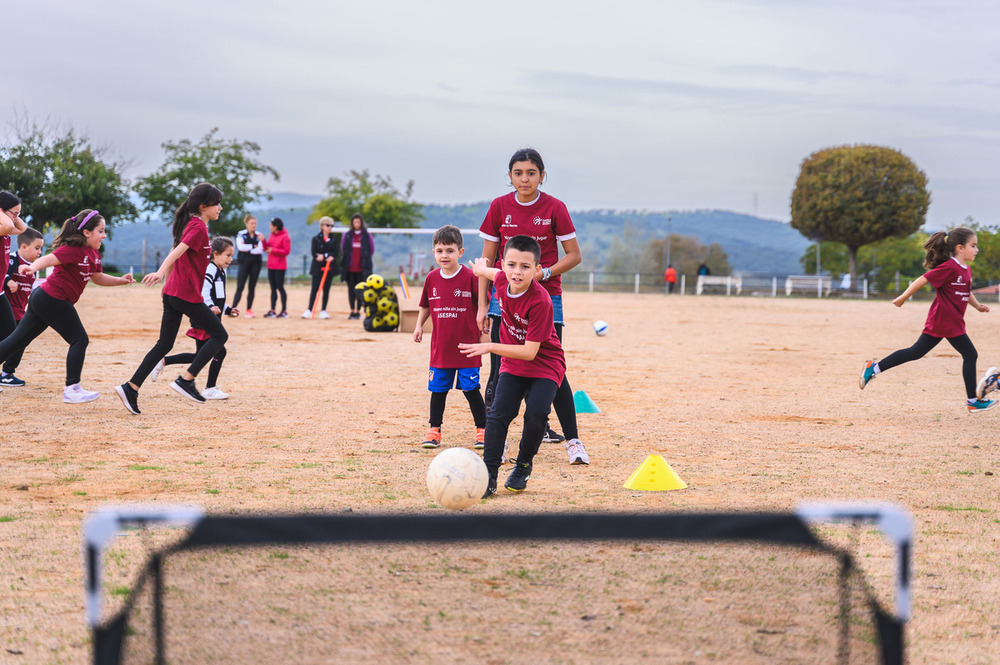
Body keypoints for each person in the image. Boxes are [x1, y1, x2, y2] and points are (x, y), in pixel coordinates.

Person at [477, 147, 588, 465]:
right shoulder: (499, 207)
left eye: (531, 172)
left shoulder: (555, 207)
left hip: (547, 297)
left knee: (553, 370)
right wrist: (483, 305)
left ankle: (573, 441)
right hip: (504, 299)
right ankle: (493, 440)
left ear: (542, 175)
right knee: (501, 370)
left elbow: (574, 255)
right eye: (518, 173)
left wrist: (546, 272)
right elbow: (487, 260)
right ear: (509, 176)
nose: (524, 179)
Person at [460, 236, 567, 496]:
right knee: (497, 417)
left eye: (525, 267)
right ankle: (489, 477)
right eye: (512, 265)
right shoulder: (501, 279)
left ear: (537, 270)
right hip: (512, 364)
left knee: (536, 415)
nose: (517, 272)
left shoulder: (540, 300)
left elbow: (531, 353)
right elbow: (491, 271)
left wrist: (489, 346)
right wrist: (478, 269)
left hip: (544, 365)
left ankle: (523, 465)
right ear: (504, 265)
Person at [115, 183, 229, 414]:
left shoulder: (194, 224)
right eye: (216, 203)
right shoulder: (197, 228)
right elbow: (176, 251)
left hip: (173, 293)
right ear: (203, 206)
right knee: (219, 335)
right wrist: (160, 272)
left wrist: (165, 279)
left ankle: (131, 387)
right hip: (184, 294)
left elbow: (177, 249)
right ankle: (186, 380)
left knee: (164, 344)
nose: (220, 207)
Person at [0, 209, 134, 403]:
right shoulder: (73, 248)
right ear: (86, 233)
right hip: (51, 298)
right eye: (101, 231)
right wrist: (32, 267)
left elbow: (97, 278)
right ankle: (72, 389)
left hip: (45, 299)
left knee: (17, 341)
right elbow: (50, 259)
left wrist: (120, 280)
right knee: (79, 339)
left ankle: (72, 389)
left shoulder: (93, 253)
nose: (104, 235)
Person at [859, 227, 995, 412]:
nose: (977, 250)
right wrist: (902, 297)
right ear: (960, 248)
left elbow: (966, 291)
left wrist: (978, 306)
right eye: (973, 245)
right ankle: (972, 400)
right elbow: (923, 279)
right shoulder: (949, 267)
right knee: (970, 354)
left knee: (915, 352)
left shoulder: (966, 270)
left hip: (952, 322)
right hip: (943, 321)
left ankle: (874, 368)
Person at [413, 225, 487, 449]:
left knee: (471, 389)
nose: (444, 255)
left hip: (468, 347)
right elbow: (425, 305)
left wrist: (485, 331)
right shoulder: (432, 278)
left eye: (450, 250)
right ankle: (434, 430)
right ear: (433, 252)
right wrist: (418, 326)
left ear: (460, 252)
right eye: (439, 251)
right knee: (438, 390)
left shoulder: (471, 277)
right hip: (441, 349)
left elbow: (483, 306)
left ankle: (483, 430)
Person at [151, 236, 238, 399]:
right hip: (203, 317)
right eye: (228, 255)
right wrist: (209, 307)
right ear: (216, 254)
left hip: (211, 317)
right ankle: (209, 388)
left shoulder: (221, 271)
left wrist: (228, 309)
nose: (231, 259)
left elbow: (220, 298)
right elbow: (203, 292)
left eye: (232, 255)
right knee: (219, 351)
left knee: (200, 355)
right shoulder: (210, 269)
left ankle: (163, 362)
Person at [1, 227, 44, 386]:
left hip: (20, 312)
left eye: (41, 248)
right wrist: (8, 280)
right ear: (23, 247)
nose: (40, 252)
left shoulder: (32, 269)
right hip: (6, 311)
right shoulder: (12, 260)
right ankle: (6, 373)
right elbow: (1, 271)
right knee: (12, 340)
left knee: (20, 341)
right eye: (37, 248)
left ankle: (7, 373)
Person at [0, 191, 29, 393]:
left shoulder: (7, 227)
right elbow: (10, 225)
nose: (16, 217)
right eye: (14, 212)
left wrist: (12, 213)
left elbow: (22, 228)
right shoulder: (3, 227)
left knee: (12, 334)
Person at [302, 216, 339, 319]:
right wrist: (324, 256)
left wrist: (325, 256)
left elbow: (335, 253)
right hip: (317, 268)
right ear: (322, 226)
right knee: (314, 289)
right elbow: (314, 253)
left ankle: (323, 310)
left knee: (326, 290)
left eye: (331, 225)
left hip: (329, 269)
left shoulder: (334, 240)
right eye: (328, 225)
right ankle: (309, 309)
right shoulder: (316, 239)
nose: (330, 227)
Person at [341, 213, 374, 320]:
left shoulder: (366, 235)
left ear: (361, 223)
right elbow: (343, 248)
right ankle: (352, 311)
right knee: (351, 289)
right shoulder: (348, 235)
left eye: (358, 222)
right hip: (350, 268)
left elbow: (371, 249)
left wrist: (365, 260)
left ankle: (358, 311)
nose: (356, 224)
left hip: (361, 268)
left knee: (360, 290)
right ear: (352, 223)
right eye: (355, 222)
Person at [231, 214, 264, 317]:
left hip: (256, 264)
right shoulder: (241, 234)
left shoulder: (259, 235)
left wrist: (249, 248)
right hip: (244, 263)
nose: (254, 225)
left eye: (255, 223)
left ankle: (249, 310)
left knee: (252, 287)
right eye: (251, 223)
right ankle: (233, 309)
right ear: (246, 224)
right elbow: (241, 247)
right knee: (240, 287)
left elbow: (260, 249)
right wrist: (253, 246)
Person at [263, 217, 290, 318]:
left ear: (276, 226)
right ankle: (273, 310)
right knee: (273, 288)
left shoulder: (285, 237)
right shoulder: (272, 235)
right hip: (271, 265)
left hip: (280, 267)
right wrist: (263, 241)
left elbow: (286, 251)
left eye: (271, 225)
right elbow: (267, 247)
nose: (269, 227)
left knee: (280, 287)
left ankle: (284, 311)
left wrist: (273, 250)